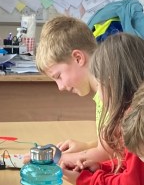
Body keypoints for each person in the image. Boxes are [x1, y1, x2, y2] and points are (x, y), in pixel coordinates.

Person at [61, 33, 144, 185]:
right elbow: (132, 167)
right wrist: (101, 168)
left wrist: (85, 181)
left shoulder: (141, 119)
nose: (98, 93)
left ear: (113, 83)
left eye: (99, 84)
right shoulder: (138, 111)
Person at [34, 15, 110, 171]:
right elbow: (113, 144)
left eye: (58, 76)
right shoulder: (102, 89)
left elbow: (107, 153)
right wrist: (87, 146)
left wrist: (51, 160)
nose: (60, 87)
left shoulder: (109, 92)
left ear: (78, 58)